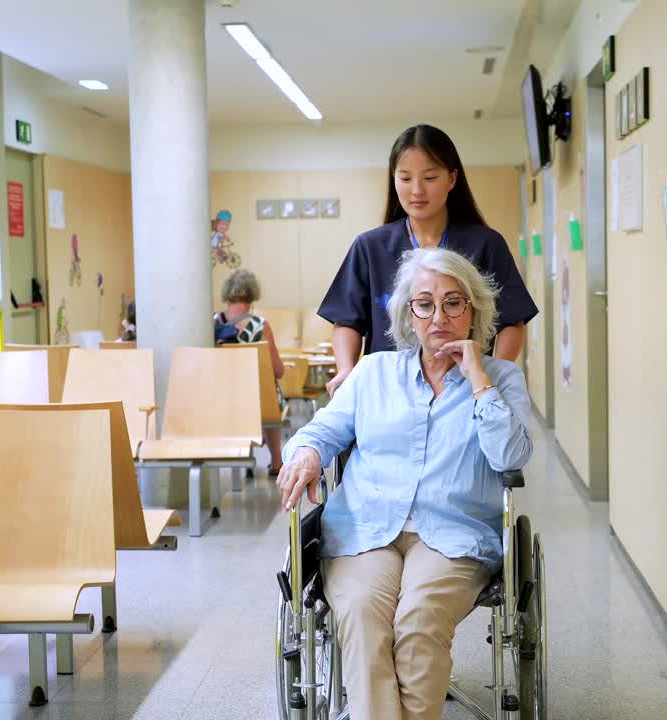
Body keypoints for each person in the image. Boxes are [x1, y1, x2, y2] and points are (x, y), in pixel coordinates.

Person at [278, 247, 532, 720]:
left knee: (418, 623)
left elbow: (511, 457)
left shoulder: (502, 378)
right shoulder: (373, 373)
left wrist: (478, 377)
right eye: (425, 303)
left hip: (453, 533)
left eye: (454, 302)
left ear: (473, 310)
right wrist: (307, 454)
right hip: (363, 530)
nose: (439, 316)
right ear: (407, 313)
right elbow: (320, 431)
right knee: (361, 616)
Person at [318, 124, 538, 395]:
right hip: (389, 394)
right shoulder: (369, 247)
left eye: (430, 177)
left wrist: (492, 376)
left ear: (452, 179)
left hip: (463, 392)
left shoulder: (485, 244)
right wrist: (345, 370)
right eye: (405, 178)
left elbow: (512, 322)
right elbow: (347, 320)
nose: (417, 190)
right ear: (393, 179)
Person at [213, 269, 286, 474]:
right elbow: (278, 370)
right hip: (257, 400)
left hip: (221, 397)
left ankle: (241, 453)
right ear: (252, 293)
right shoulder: (259, 325)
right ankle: (276, 461)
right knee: (271, 391)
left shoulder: (211, 322)